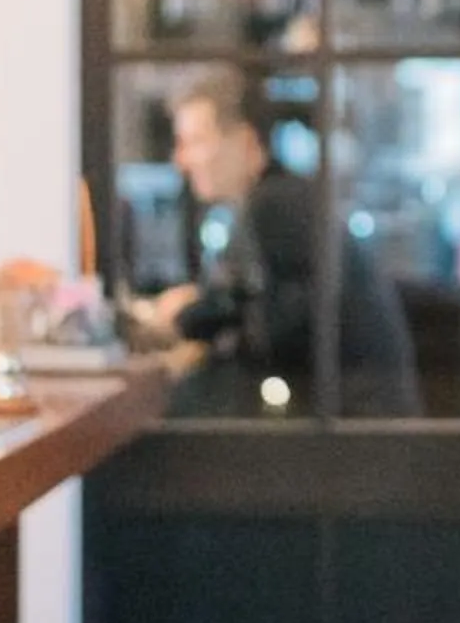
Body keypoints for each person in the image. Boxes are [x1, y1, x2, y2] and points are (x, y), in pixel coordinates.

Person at [144, 68, 420, 419]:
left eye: (195, 142)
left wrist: (190, 316)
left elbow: (277, 329)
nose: (180, 160)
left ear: (244, 142)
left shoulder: (274, 204)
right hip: (356, 426)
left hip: (352, 438)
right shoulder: (282, 198)